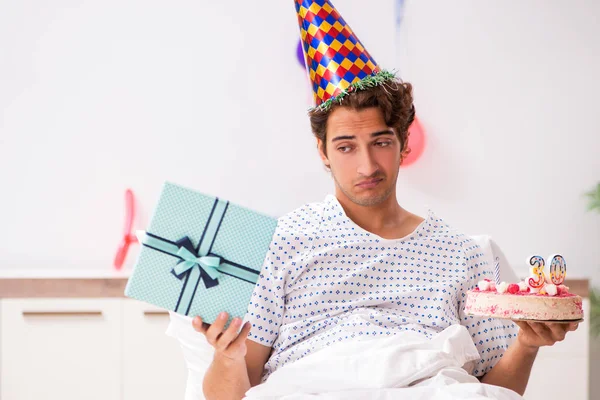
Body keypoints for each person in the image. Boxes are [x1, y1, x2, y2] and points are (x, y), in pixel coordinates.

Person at [187, 1, 579, 399]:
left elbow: (497, 392)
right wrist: (228, 358)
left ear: (403, 142)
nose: (366, 165)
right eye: (345, 147)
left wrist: (527, 345)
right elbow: (231, 395)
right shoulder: (281, 241)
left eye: (380, 142)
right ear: (322, 151)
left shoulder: (466, 254)